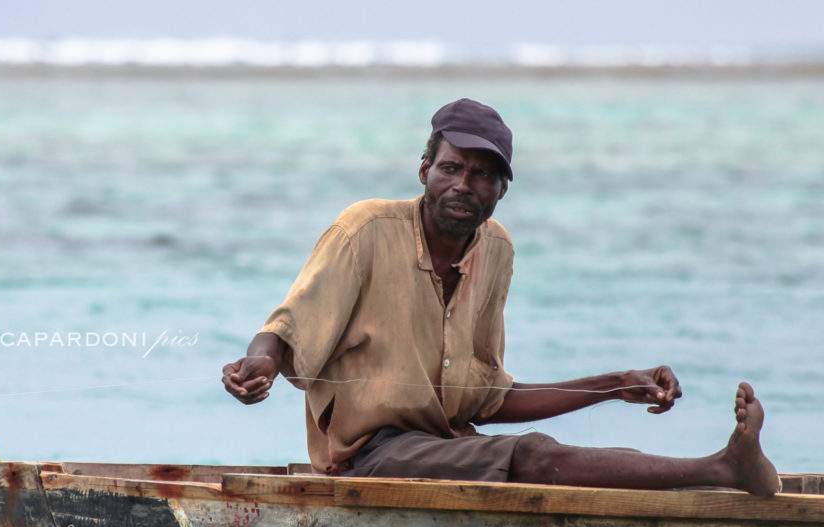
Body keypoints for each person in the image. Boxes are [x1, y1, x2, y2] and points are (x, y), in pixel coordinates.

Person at [222, 98, 781, 498]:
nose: (464, 185)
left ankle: (717, 468)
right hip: (367, 457)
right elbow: (285, 330)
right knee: (535, 456)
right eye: (451, 168)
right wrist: (260, 365)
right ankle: (723, 469)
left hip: (444, 446)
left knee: (544, 455)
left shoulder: (497, 250)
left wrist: (614, 385)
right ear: (425, 171)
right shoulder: (364, 230)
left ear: (502, 190)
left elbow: (485, 399)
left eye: (483, 175)